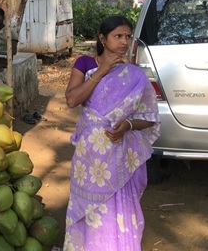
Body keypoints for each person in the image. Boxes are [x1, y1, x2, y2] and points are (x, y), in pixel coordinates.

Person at [62, 15, 160, 251]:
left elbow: (149, 118)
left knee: (117, 205)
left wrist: (127, 125)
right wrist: (103, 70)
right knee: (88, 206)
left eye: (127, 36)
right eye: (118, 36)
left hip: (119, 153)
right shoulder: (85, 64)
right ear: (103, 39)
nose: (124, 42)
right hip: (89, 156)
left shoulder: (134, 76)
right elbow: (73, 99)